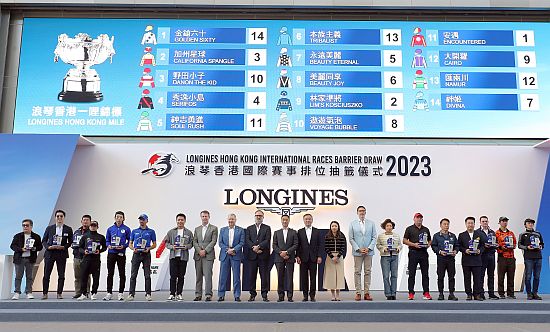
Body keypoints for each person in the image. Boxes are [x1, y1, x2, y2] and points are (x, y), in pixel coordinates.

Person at [42, 209, 73, 300]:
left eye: (61, 216)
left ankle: (59, 293)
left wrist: (64, 247)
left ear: (64, 218)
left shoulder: (68, 229)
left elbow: (71, 241)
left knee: (61, 275)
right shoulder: (49, 228)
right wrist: (48, 247)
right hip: (50, 253)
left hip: (61, 254)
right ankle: (45, 293)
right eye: (58, 216)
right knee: (46, 274)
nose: (59, 218)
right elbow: (44, 240)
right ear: (55, 218)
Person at [348, 205, 377, 301]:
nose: (362, 212)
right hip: (357, 252)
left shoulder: (371, 223)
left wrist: (369, 248)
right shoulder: (352, 224)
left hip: (369, 252)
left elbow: (374, 237)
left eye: (363, 211)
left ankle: (367, 293)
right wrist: (358, 249)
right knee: (357, 272)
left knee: (367, 272)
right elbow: (351, 238)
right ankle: (358, 293)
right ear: (357, 212)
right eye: (360, 211)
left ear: (365, 212)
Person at [10, 219, 43, 300]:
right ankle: (17, 292)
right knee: (18, 276)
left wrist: (33, 248)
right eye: (23, 225)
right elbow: (12, 246)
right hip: (19, 259)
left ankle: (29, 292)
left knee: (29, 277)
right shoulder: (17, 236)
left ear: (31, 226)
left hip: (30, 259)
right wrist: (21, 249)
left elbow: (40, 247)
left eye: (27, 225)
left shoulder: (36, 236)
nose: (25, 227)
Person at [127, 214, 157, 301]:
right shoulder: (134, 231)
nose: (141, 221)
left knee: (147, 275)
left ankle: (148, 294)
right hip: (136, 254)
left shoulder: (151, 231)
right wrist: (133, 249)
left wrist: (149, 248)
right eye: (140, 219)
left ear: (147, 221)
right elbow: (130, 244)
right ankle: (131, 294)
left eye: (143, 219)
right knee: (133, 275)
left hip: (146, 254)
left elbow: (154, 244)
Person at [403, 212, 432, 300]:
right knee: (412, 273)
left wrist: (428, 244)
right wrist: (413, 244)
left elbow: (430, 240)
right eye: (417, 218)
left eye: (420, 218)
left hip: (423, 252)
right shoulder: (409, 229)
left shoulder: (426, 229)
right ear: (414, 219)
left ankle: (426, 293)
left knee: (425, 274)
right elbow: (404, 240)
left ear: (422, 219)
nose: (419, 219)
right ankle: (411, 293)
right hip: (413, 252)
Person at [103, 211, 131, 301]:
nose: (119, 219)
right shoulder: (110, 229)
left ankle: (121, 293)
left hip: (121, 253)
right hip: (111, 253)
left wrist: (124, 246)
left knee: (122, 273)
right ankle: (109, 293)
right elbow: (107, 240)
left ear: (123, 219)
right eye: (117, 217)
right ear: (114, 218)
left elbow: (130, 241)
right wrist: (109, 245)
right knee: (110, 273)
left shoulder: (126, 229)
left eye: (120, 217)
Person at [165, 213, 193, 301]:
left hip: (183, 257)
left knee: (181, 276)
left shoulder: (189, 232)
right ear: (176, 221)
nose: (180, 221)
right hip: (173, 256)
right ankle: (172, 293)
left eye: (182, 220)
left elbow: (192, 243)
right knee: (173, 276)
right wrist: (172, 247)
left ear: (185, 221)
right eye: (179, 220)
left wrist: (186, 246)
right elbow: (166, 243)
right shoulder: (171, 232)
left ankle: (179, 293)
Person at [217, 213, 245, 302]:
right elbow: (220, 243)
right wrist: (228, 250)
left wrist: (233, 250)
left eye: (232, 219)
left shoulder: (240, 230)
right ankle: (221, 295)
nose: (231, 221)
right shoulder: (222, 230)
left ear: (235, 220)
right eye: (229, 219)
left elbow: (242, 243)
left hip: (235, 255)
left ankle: (237, 295)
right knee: (223, 276)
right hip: (225, 255)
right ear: (227, 220)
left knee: (236, 277)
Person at [245, 209, 271, 302]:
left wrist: (259, 247)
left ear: (263, 217)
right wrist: (254, 247)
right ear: (254, 217)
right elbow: (247, 240)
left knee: (264, 276)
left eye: (260, 216)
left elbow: (267, 240)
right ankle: (252, 294)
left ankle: (264, 295)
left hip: (263, 256)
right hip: (252, 256)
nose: (258, 217)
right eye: (257, 215)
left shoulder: (267, 228)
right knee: (252, 276)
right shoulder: (249, 228)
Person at [77, 220, 107, 300]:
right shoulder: (85, 236)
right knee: (84, 277)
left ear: (97, 227)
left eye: (95, 226)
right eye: (92, 225)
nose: (93, 227)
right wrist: (84, 251)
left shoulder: (101, 237)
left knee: (96, 277)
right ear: (89, 226)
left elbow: (105, 247)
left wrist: (99, 251)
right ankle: (83, 293)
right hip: (86, 259)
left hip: (96, 260)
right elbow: (79, 247)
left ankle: (94, 293)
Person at [192, 210, 218, 302]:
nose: (204, 218)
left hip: (208, 255)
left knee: (208, 276)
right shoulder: (197, 229)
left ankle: (208, 295)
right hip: (198, 255)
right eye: (203, 216)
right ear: (201, 217)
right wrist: (199, 251)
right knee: (198, 276)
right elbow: (194, 241)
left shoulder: (214, 228)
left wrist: (205, 251)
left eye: (206, 216)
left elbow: (213, 241)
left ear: (209, 217)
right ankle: (198, 294)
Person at [296, 213, 323, 302]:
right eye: (306, 219)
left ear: (312, 220)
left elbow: (320, 245)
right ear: (304, 220)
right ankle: (305, 295)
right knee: (304, 278)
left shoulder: (316, 231)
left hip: (313, 258)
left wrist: (319, 256)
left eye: (309, 219)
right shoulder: (300, 231)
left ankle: (312, 295)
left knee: (313, 278)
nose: (308, 220)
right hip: (303, 258)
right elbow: (298, 245)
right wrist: (297, 256)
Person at [458, 216, 485, 301]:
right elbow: (459, 246)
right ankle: (468, 294)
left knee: (477, 278)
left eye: (472, 223)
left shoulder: (479, 234)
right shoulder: (461, 235)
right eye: (468, 223)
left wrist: (479, 251)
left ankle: (476, 294)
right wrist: (465, 250)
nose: (470, 225)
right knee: (467, 278)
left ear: (474, 224)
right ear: (466, 224)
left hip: (477, 260)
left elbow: (483, 246)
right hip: (466, 260)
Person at [431, 218, 459, 301]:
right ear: (440, 225)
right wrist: (439, 252)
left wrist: (455, 251)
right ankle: (441, 293)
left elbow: (457, 245)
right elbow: (433, 246)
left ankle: (451, 294)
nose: (446, 226)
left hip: (451, 259)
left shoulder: (453, 236)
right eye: (444, 224)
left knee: (451, 277)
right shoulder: (436, 236)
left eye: (447, 224)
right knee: (440, 276)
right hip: (441, 259)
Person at [273, 215, 299, 302]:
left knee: (290, 277)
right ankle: (280, 295)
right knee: (280, 277)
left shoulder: (293, 232)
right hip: (279, 258)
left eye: (286, 220)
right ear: (281, 221)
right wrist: (281, 253)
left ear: (289, 221)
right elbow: (274, 245)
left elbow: (296, 244)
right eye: (283, 220)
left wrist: (287, 252)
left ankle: (290, 296)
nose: (285, 221)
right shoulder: (277, 232)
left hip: (290, 258)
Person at [518, 218, 544, 300]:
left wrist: (541, 246)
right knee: (528, 276)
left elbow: (542, 244)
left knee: (537, 276)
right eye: (529, 223)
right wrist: (527, 247)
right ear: (525, 224)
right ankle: (529, 293)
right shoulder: (522, 234)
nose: (530, 224)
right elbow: (519, 245)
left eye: (532, 223)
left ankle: (535, 293)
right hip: (528, 258)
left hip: (538, 257)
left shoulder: (538, 234)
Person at [376, 219, 401, 300]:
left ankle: (393, 293)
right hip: (385, 257)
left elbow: (400, 245)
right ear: (384, 227)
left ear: (392, 227)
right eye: (387, 226)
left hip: (394, 256)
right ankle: (388, 293)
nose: (389, 227)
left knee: (394, 276)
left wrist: (398, 248)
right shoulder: (380, 236)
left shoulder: (396, 235)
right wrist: (383, 249)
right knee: (386, 276)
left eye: (390, 226)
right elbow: (378, 245)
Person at [324, 221, 346, 301]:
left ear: (338, 227)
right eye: (332, 226)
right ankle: (333, 295)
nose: (334, 227)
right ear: (330, 227)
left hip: (339, 257)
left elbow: (343, 247)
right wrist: (332, 257)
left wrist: (338, 256)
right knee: (331, 276)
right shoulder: (327, 236)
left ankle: (338, 295)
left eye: (335, 226)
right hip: (330, 258)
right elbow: (326, 248)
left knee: (339, 276)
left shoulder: (341, 236)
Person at [495, 216, 517, 299]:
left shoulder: (511, 233)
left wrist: (513, 246)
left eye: (506, 221)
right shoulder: (496, 233)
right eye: (503, 221)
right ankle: (501, 293)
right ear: (499, 222)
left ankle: (510, 293)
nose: (505, 222)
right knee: (501, 276)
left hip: (511, 257)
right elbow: (495, 244)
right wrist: (501, 247)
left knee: (511, 276)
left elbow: (515, 243)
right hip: (502, 257)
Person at [478, 216, 499, 300]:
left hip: (491, 255)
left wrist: (496, 245)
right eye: (483, 221)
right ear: (480, 222)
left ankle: (491, 293)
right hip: (482, 256)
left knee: (491, 275)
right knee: (481, 275)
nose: (485, 223)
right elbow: (476, 244)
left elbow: (496, 242)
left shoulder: (492, 232)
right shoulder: (477, 232)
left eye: (486, 221)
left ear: (488, 222)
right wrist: (483, 245)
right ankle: (481, 293)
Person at [71, 214, 91, 299]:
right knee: (77, 276)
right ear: (81, 221)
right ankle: (78, 292)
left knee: (87, 275)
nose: (85, 221)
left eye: (87, 220)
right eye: (84, 220)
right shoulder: (77, 232)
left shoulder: (91, 232)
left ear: (90, 222)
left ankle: (86, 292)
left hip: (87, 257)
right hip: (77, 256)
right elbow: (72, 242)